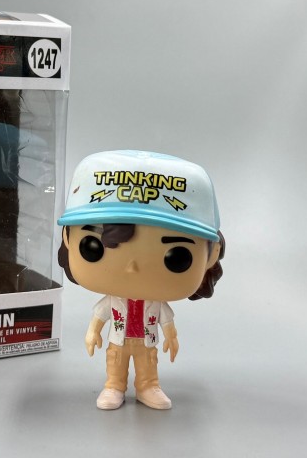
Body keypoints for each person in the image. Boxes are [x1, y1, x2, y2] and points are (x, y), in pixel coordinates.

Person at [58, 150, 225, 410]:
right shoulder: (113, 301)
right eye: (93, 247)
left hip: (146, 341)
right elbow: (100, 315)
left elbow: (166, 321)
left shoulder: (156, 304)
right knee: (115, 363)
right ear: (67, 237)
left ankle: (147, 386)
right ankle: (114, 386)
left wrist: (171, 337)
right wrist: (92, 332)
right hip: (119, 339)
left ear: (212, 254)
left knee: (148, 364)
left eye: (177, 257)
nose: (132, 267)